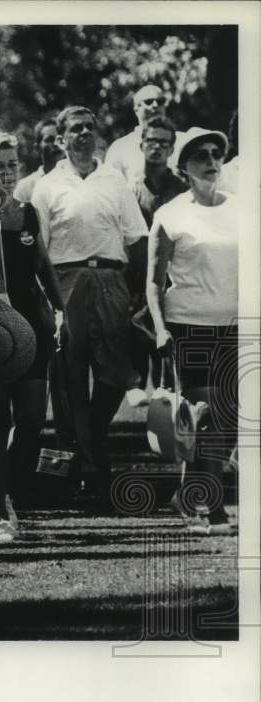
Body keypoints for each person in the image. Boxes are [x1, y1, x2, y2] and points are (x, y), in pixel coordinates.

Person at [31, 105, 148, 510]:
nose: (83, 134)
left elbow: (137, 238)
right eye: (75, 129)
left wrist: (138, 293)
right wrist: (49, 299)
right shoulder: (47, 186)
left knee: (116, 373)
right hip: (65, 281)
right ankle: (77, 472)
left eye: (89, 127)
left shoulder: (115, 181)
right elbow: (39, 249)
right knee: (68, 379)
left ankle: (92, 442)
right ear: (61, 140)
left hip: (112, 279)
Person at [147, 127, 238, 536]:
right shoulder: (170, 215)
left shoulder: (242, 209)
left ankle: (188, 496)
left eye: (216, 153)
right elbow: (153, 282)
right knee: (206, 419)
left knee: (229, 419)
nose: (211, 161)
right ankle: (213, 510)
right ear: (183, 168)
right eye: (200, 155)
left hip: (236, 326)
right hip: (190, 328)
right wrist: (161, 330)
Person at [0, 131, 66, 535]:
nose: (8, 172)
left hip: (31, 323)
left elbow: (42, 265)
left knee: (30, 420)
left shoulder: (27, 212)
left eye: (14, 164)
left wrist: (60, 309)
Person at [125, 117, 188, 407]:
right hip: (138, 276)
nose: (158, 147)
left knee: (169, 344)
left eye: (164, 142)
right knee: (138, 336)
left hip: (172, 276)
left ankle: (169, 398)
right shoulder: (131, 189)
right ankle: (137, 383)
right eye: (152, 141)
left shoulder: (181, 188)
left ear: (172, 148)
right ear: (141, 144)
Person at [104, 84, 186, 184]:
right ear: (136, 108)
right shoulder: (120, 148)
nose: (155, 105)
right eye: (148, 102)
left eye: (160, 102)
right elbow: (111, 189)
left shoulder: (183, 141)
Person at [13, 116, 62, 205]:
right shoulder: (25, 187)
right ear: (37, 147)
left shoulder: (79, 182)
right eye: (49, 140)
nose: (56, 144)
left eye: (59, 139)